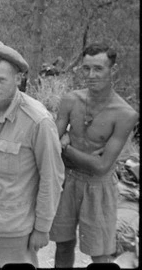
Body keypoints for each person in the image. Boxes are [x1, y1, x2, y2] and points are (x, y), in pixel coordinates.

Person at [0, 44, 64, 267]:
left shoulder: (38, 121)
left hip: (12, 226)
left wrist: (42, 227)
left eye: (2, 80)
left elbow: (52, 178)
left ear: (18, 79)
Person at [50, 43, 138, 267]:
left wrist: (66, 147)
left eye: (98, 69)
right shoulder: (71, 100)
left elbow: (101, 166)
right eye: (86, 69)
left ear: (113, 70)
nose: (91, 75)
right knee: (63, 244)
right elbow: (51, 144)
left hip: (98, 186)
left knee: (100, 254)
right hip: (67, 181)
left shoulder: (125, 113)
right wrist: (64, 147)